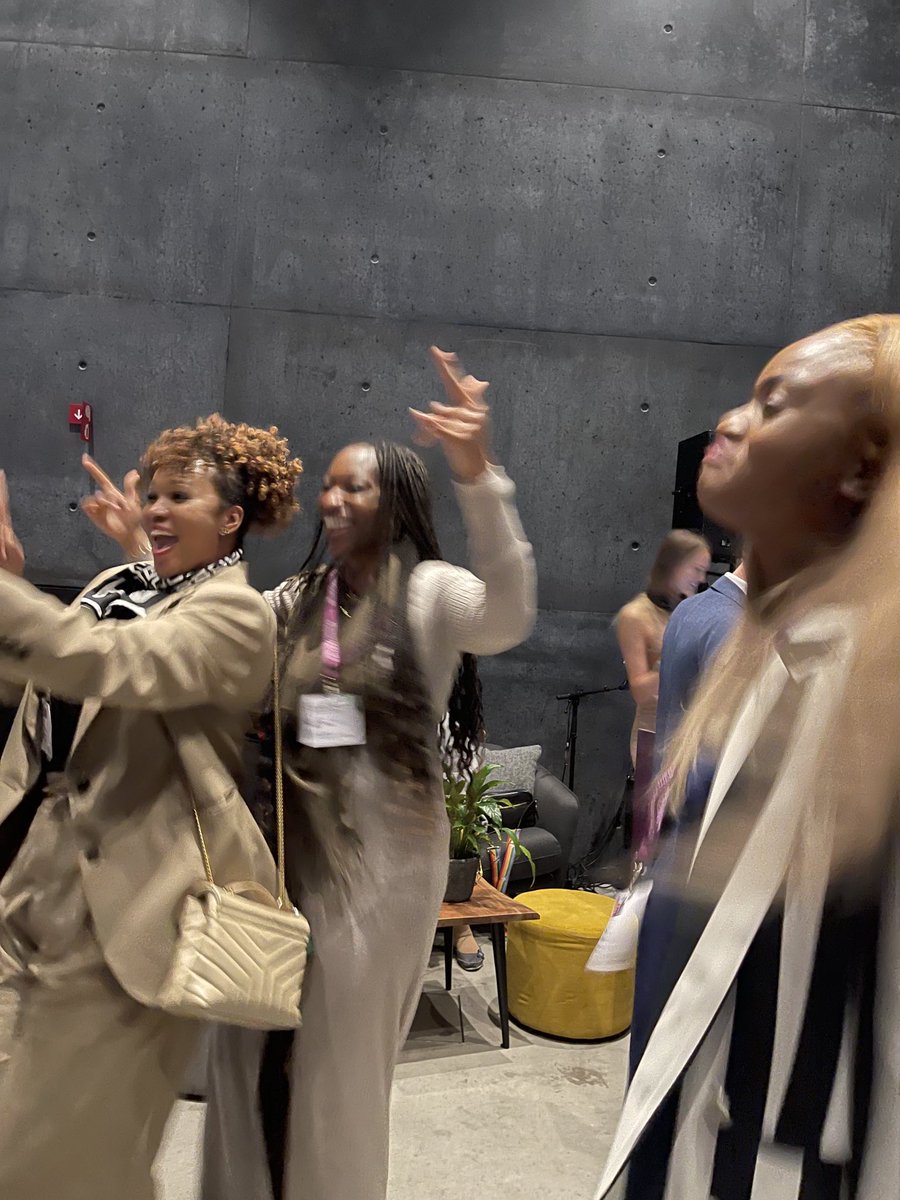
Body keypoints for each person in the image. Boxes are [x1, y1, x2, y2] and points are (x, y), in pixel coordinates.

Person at [198, 346, 537, 1200]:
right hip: (283, 860)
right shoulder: (301, 595)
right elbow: (217, 644)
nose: (337, 499)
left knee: (337, 1073)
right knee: (249, 1054)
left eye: (360, 486)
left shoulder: (430, 594)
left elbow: (508, 612)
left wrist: (480, 475)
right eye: (331, 485)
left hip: (380, 876)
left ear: (400, 502)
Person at [596, 314, 900, 1200]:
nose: (733, 423)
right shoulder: (792, 646)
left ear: (856, 469)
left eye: (773, 403)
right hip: (731, 1056)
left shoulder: (852, 670)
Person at [0, 415, 302, 1200]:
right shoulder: (121, 585)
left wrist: (8, 594)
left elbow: (109, 664)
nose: (156, 509)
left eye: (181, 495)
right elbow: (41, 684)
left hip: (125, 903)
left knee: (72, 1152)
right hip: (33, 869)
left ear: (232, 519)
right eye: (154, 493)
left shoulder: (239, 616)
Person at [615, 530, 711, 767]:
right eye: (696, 569)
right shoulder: (635, 615)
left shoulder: (687, 611)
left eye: (704, 571)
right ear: (673, 566)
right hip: (653, 738)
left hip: (689, 736)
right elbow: (639, 689)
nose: (701, 579)